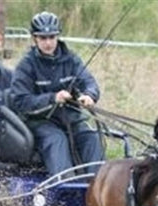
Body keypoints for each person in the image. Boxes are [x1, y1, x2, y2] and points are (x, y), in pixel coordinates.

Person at [11, 11, 104, 177]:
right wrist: (53, 98)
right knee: (57, 140)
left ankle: (96, 188)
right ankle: (66, 188)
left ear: (57, 36)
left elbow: (89, 82)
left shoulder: (71, 59)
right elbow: (20, 101)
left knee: (92, 138)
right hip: (40, 123)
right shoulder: (26, 66)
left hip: (71, 119)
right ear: (35, 38)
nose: (48, 43)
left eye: (52, 37)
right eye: (43, 38)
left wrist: (89, 95)